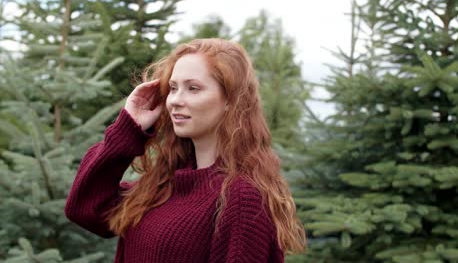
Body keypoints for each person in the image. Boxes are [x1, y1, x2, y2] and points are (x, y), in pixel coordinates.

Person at [64, 38, 307, 263]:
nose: (175, 100)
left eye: (193, 88)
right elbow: (85, 209)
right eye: (172, 88)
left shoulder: (241, 197)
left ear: (230, 101)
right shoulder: (163, 185)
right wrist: (129, 127)